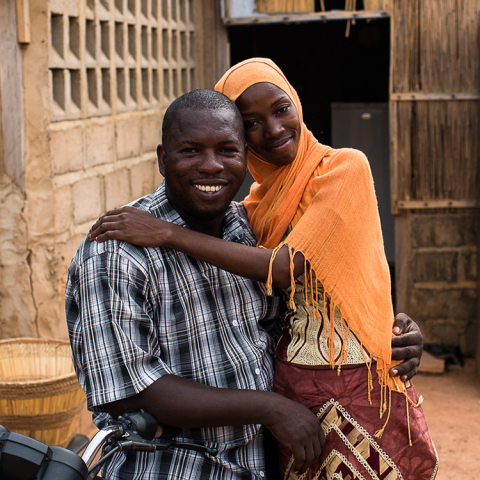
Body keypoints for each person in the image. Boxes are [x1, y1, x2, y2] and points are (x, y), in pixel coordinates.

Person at [89, 60, 437, 480]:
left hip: (342, 394)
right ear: (163, 159)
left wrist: (387, 329)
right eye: (252, 123)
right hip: (255, 419)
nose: (272, 130)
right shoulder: (247, 213)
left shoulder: (333, 173)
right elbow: (133, 388)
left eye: (281, 109)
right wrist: (272, 406)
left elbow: (291, 272)